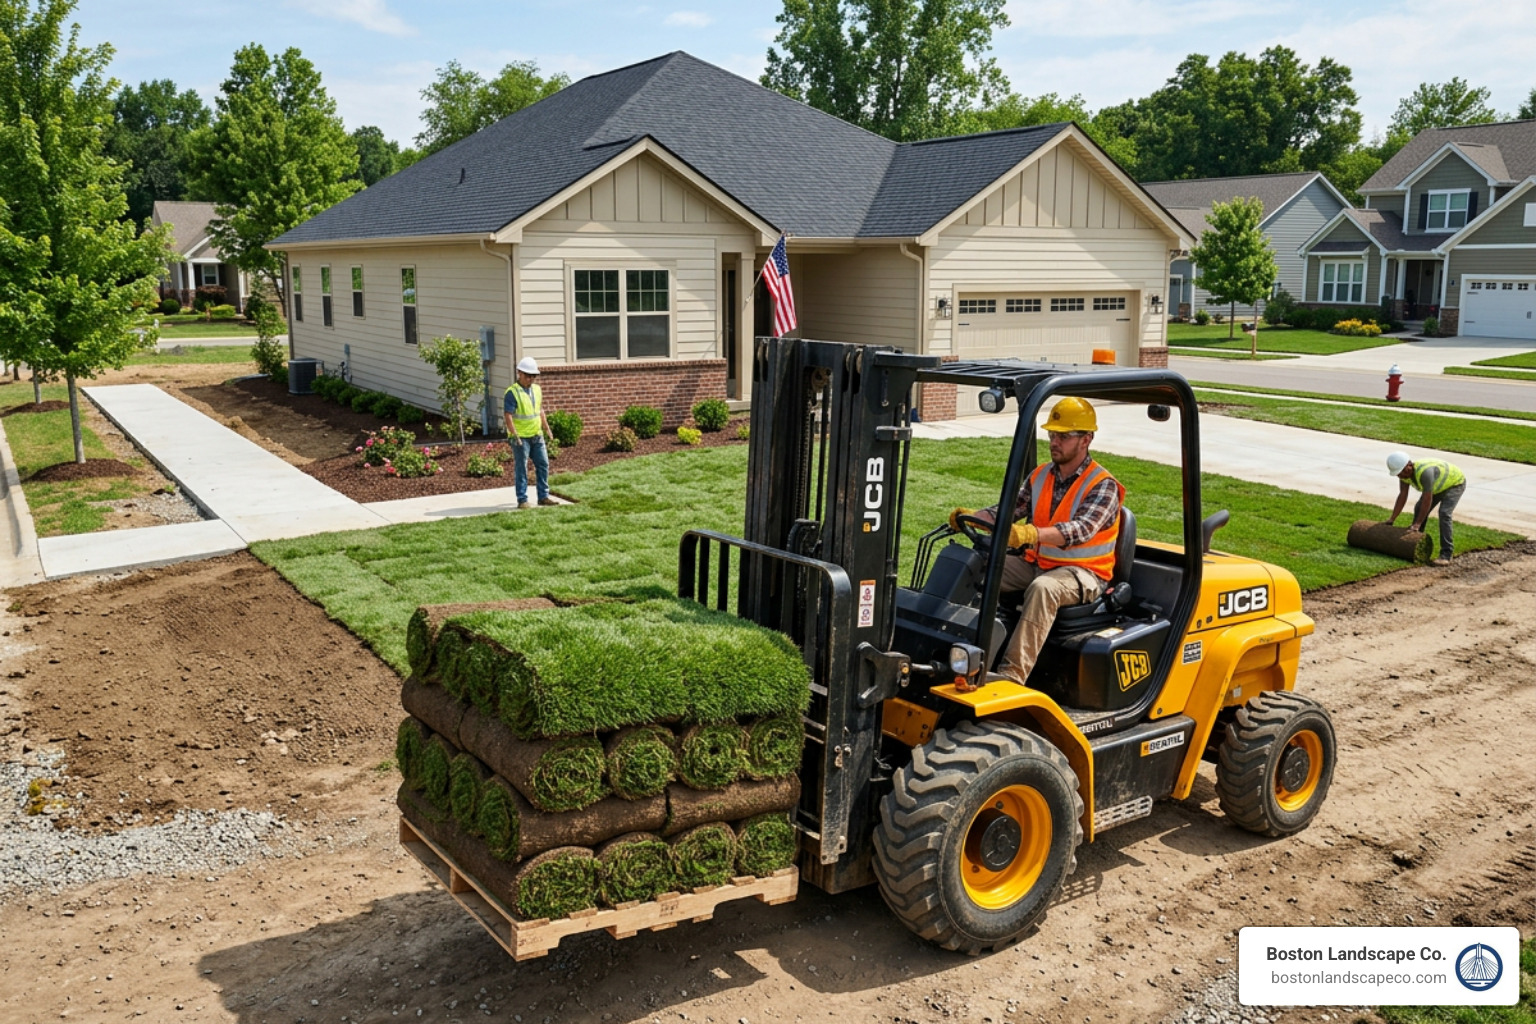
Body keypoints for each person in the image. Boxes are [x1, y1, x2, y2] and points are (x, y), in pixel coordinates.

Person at [950, 397, 1124, 688]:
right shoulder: (1040, 475)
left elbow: (1079, 530)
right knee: (977, 564)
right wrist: (973, 516)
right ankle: (955, 649)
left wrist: (1031, 534)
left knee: (1043, 589)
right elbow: (1008, 512)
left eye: (1064, 436)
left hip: (1083, 573)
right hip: (1038, 563)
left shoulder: (1103, 485)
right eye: (1052, 435)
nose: (1055, 442)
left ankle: (1011, 677)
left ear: (1086, 439)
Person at [1385, 451, 1465, 566]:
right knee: (1419, 508)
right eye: (1398, 474)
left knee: (1444, 513)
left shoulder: (1425, 473)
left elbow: (1427, 500)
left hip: (1455, 483)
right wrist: (1392, 518)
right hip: (1438, 486)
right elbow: (1402, 495)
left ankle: (1446, 554)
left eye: (1402, 472)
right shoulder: (1404, 474)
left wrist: (1417, 523)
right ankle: (1415, 540)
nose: (1401, 476)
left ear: (1409, 465)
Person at [503, 356, 556, 509]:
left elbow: (540, 410)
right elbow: (508, 415)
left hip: (536, 435)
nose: (531, 379)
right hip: (521, 438)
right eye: (528, 375)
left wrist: (547, 428)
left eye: (533, 376)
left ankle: (543, 496)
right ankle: (522, 499)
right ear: (519, 373)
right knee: (522, 468)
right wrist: (515, 435)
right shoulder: (512, 393)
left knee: (543, 464)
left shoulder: (537, 390)